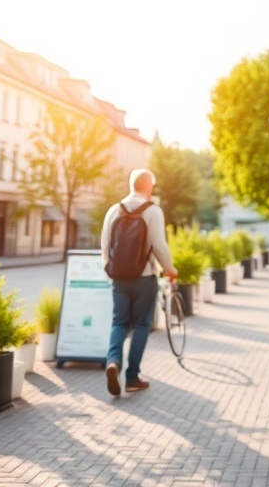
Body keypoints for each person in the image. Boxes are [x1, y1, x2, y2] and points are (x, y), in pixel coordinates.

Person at [101, 168, 177, 396]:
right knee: (141, 325)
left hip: (119, 279)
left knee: (119, 323)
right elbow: (159, 246)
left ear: (131, 185)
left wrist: (109, 270)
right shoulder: (153, 211)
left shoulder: (114, 210)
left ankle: (113, 361)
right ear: (149, 187)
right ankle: (132, 377)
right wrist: (170, 269)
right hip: (144, 278)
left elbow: (105, 247)